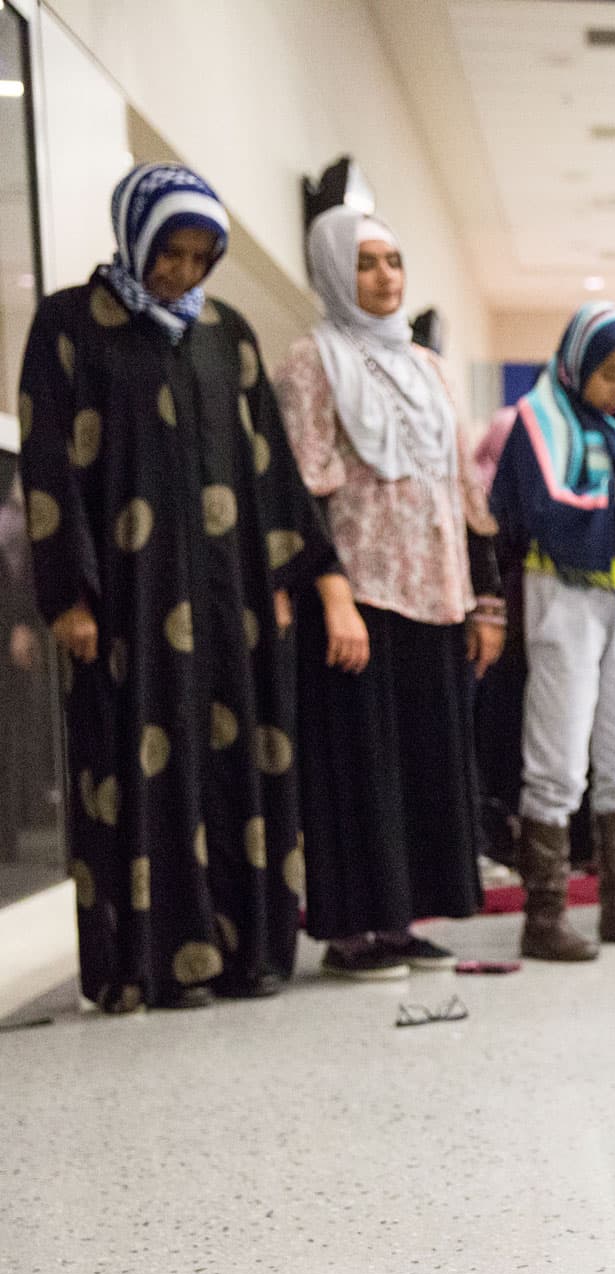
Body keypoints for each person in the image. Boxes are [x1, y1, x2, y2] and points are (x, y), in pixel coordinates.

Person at [19, 164, 343, 1010]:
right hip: (124, 601)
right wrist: (68, 597)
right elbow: (49, 468)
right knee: (136, 768)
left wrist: (282, 573)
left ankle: (243, 952)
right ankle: (145, 964)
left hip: (229, 601)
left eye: (203, 256)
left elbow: (265, 459)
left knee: (235, 766)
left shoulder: (225, 333)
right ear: (136, 236)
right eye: (172, 252)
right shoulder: (68, 324)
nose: (184, 272)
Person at [274, 206, 501, 981]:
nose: (384, 277)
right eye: (366, 262)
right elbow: (296, 487)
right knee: (356, 763)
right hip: (359, 594)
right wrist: (330, 594)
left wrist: (485, 602)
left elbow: (465, 488)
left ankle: (401, 922)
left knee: (422, 761)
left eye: (394, 261)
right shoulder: (312, 359)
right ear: (335, 270)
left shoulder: (429, 365)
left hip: (435, 593)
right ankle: (350, 931)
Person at [487, 302, 615, 959]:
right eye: (609, 374)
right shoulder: (538, 418)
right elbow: (544, 509)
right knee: (558, 756)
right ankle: (543, 916)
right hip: (564, 597)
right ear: (577, 362)